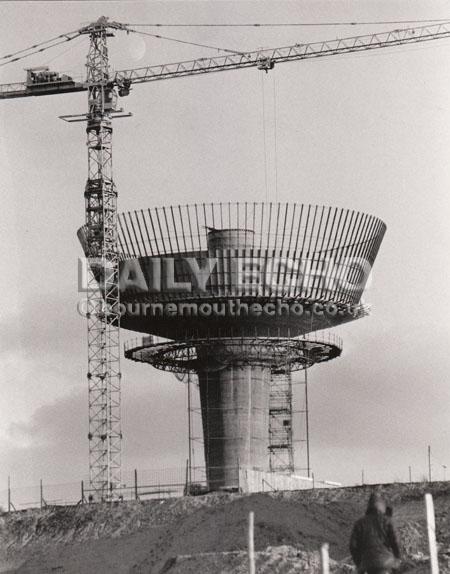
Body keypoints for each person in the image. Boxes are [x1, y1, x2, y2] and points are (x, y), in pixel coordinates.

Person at [349, 492, 401, 574]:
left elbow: (353, 546)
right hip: (387, 562)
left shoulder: (359, 523)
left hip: (367, 563)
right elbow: (396, 541)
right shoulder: (387, 521)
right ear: (383, 506)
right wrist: (398, 558)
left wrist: (359, 563)